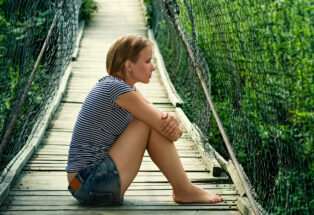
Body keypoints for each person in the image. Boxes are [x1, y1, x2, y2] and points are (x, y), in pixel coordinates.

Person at [65, 35, 223, 205]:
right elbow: (164, 126)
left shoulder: (123, 88)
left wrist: (171, 117)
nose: (153, 67)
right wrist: (168, 120)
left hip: (79, 184)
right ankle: (184, 189)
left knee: (148, 119)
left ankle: (184, 189)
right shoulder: (115, 88)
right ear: (129, 65)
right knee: (145, 122)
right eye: (147, 61)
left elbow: (161, 119)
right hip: (89, 183)